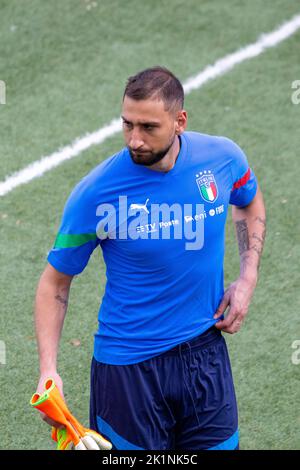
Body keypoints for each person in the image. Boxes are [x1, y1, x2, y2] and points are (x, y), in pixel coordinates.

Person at [35, 66, 266, 450]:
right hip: (128, 367)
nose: (134, 140)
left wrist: (248, 277)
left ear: (180, 121)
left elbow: (249, 201)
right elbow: (54, 282)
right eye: (127, 124)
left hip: (204, 352)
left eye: (148, 127)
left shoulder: (221, 158)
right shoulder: (97, 192)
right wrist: (48, 371)